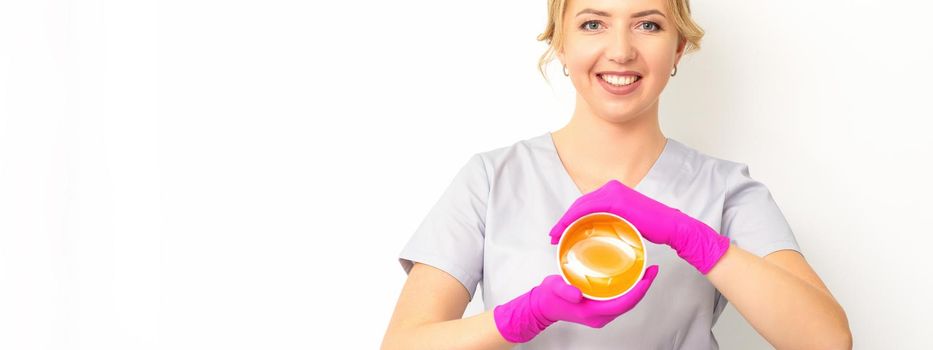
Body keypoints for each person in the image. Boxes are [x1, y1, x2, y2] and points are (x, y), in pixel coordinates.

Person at [381, 0, 852, 349]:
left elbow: (827, 341)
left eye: (648, 24)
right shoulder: (490, 180)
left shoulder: (726, 191)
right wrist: (521, 317)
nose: (621, 50)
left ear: (678, 49)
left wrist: (694, 239)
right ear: (561, 45)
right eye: (593, 24)